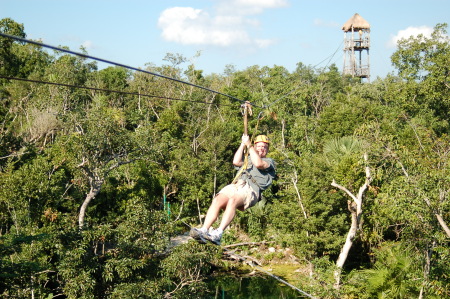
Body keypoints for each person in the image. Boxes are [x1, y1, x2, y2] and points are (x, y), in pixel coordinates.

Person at [190, 134, 276, 245]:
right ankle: (204, 229)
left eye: (264, 147)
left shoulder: (269, 162)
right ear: (255, 147)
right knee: (218, 199)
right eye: (259, 146)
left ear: (267, 150)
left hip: (251, 189)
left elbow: (258, 163)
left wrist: (249, 145)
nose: (261, 149)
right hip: (237, 184)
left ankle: (218, 233)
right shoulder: (248, 159)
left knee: (233, 201)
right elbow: (236, 162)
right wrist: (242, 144)